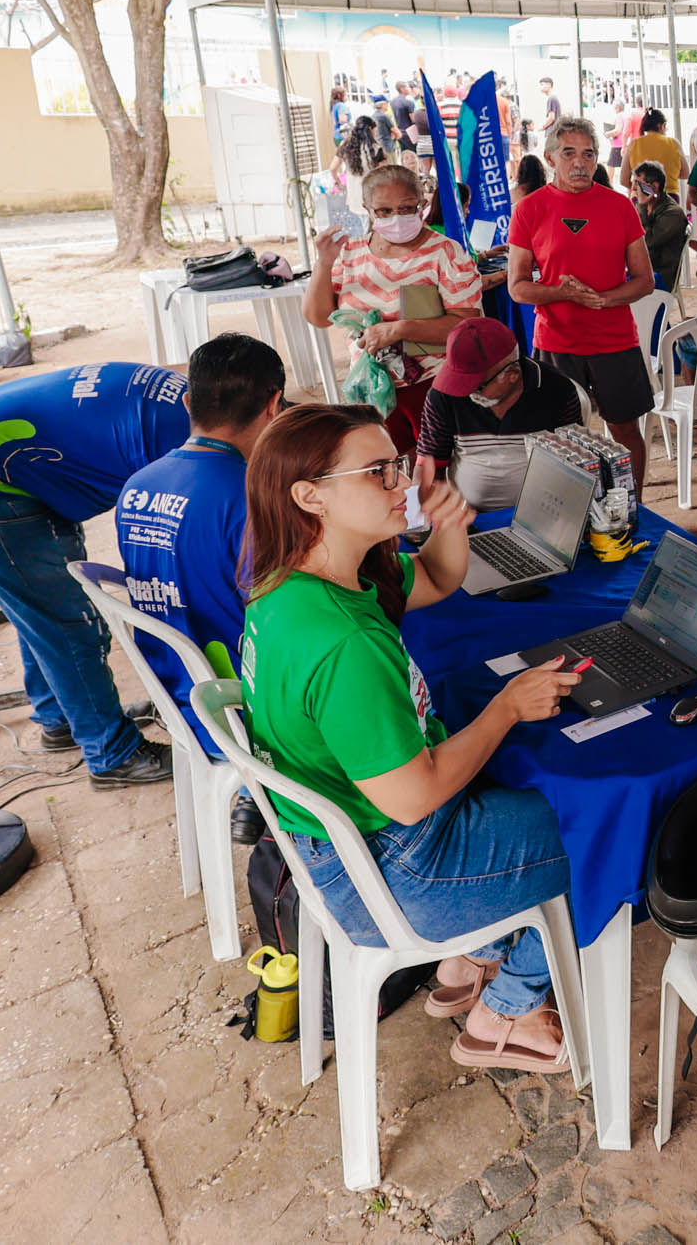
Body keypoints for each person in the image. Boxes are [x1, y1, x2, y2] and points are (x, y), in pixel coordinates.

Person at [239, 404, 582, 1070]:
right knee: (597, 831)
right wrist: (508, 707)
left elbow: (440, 578)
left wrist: (449, 519)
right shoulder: (342, 641)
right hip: (392, 870)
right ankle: (505, 1011)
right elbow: (411, 797)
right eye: (378, 471)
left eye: (397, 464)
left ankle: (474, 956)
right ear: (310, 495)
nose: (401, 482)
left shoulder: (301, 581)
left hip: (342, 847)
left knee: (532, 786)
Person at [0, 363, 190, 784]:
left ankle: (62, 716)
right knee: (67, 623)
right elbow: (165, 539)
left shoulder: (193, 406)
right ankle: (111, 753)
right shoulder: (184, 446)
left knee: (40, 608)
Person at [114, 335, 287, 755]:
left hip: (177, 696)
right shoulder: (253, 497)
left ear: (188, 403)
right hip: (244, 710)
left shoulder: (136, 486)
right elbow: (287, 614)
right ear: (274, 405)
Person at [505, 117, 657, 497]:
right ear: (550, 158)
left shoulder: (620, 206)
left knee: (624, 431)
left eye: (588, 154)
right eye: (569, 153)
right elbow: (518, 288)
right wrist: (562, 293)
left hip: (615, 340)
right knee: (558, 436)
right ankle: (567, 514)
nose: (580, 163)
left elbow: (644, 280)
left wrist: (605, 299)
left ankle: (630, 508)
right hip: (557, 341)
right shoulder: (530, 209)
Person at [304, 162, 483, 447]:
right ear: (367, 209)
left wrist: (399, 329)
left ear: (422, 204)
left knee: (434, 469)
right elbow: (318, 317)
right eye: (384, 211)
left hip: (431, 383)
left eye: (407, 208)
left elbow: (464, 325)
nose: (396, 218)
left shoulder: (445, 253)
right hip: (368, 386)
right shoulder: (349, 253)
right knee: (384, 468)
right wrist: (323, 263)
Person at [412, 316, 585, 500]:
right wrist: (423, 515)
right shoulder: (444, 394)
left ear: (513, 374)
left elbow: (574, 466)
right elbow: (428, 466)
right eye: (459, 381)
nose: (466, 393)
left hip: (542, 511)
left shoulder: (557, 390)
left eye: (476, 385)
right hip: (466, 515)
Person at [633, 159, 689, 287]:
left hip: (659, 276)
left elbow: (646, 242)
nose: (633, 188)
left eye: (637, 183)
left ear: (654, 186)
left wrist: (641, 205)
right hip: (645, 268)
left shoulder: (673, 214)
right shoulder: (652, 206)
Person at [624, 107, 687, 197]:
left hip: (640, 198)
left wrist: (643, 189)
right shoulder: (673, 143)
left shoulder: (634, 144)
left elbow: (624, 180)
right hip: (669, 198)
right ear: (662, 125)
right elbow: (685, 173)